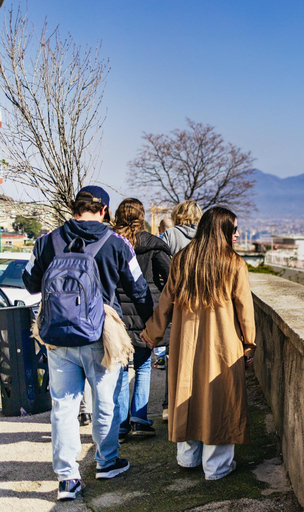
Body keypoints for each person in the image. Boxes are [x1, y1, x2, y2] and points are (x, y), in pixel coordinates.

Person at [23, 186, 154, 501]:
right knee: (104, 400)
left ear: (73, 207)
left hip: (56, 336)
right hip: (101, 334)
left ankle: (68, 479)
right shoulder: (117, 244)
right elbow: (138, 290)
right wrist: (150, 325)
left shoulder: (46, 241)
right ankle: (107, 461)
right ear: (105, 211)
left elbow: (29, 282)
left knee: (64, 406)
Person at [141, 206, 255, 481]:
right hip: (222, 344)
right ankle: (216, 467)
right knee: (219, 400)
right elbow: (245, 309)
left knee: (186, 394)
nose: (238, 235)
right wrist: (249, 343)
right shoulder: (234, 263)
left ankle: (187, 457)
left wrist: (152, 333)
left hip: (186, 342)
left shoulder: (182, 259)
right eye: (234, 229)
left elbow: (165, 301)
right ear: (222, 231)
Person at [112, 198, 171, 439]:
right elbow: (170, 278)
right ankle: (139, 418)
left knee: (122, 368)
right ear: (142, 216)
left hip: (117, 311)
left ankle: (122, 423)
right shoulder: (154, 244)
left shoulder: (110, 242)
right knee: (144, 364)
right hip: (147, 307)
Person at [155, 200, 202, 420]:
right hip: (202, 302)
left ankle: (168, 405)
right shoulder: (206, 237)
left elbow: (159, 262)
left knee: (174, 356)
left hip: (177, 301)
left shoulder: (170, 235)